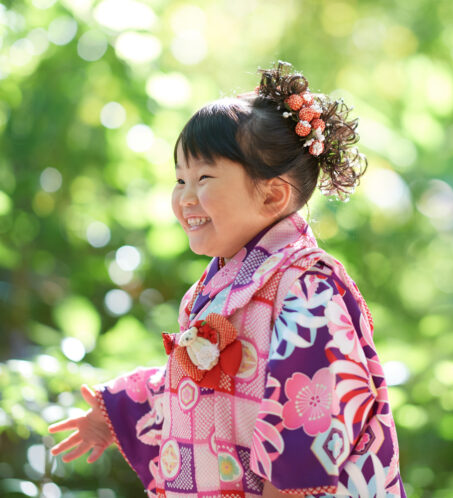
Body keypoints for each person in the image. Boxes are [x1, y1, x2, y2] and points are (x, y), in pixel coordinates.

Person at [48, 61, 405, 498]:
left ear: (273, 194)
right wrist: (116, 410)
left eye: (204, 177)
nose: (184, 197)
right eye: (180, 179)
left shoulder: (307, 288)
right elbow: (194, 388)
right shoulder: (225, 282)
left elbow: (312, 415)